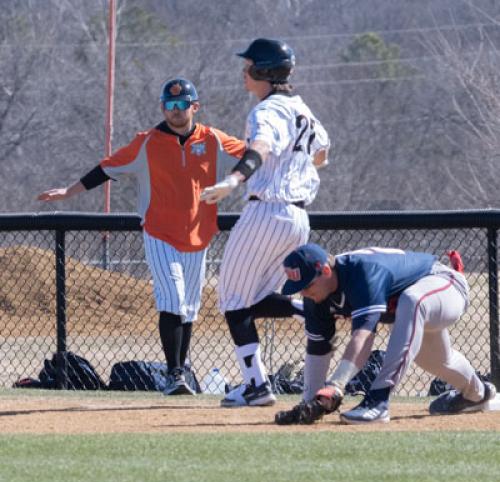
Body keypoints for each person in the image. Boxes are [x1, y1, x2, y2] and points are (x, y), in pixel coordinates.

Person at [37, 77, 245, 396]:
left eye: (182, 105)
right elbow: (106, 168)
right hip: (159, 233)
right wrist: (69, 191)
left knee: (188, 308)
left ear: (195, 107)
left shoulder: (213, 139)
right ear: (163, 107)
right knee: (173, 299)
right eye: (170, 105)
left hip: (198, 234)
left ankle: (180, 370)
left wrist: (242, 176)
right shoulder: (146, 142)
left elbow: (252, 156)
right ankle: (174, 374)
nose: (176, 111)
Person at [200, 38, 330, 407]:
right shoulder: (302, 109)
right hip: (297, 217)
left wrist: (233, 180)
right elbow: (322, 153)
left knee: (232, 301)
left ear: (264, 73)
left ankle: (256, 386)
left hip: (266, 211)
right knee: (254, 298)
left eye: (249, 67)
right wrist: (295, 167)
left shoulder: (267, 109)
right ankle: (312, 308)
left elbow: (261, 148)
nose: (244, 73)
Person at [276, 243, 497, 424]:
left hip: (443, 284)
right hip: (410, 307)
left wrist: (336, 385)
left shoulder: (361, 271)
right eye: (300, 287)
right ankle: (477, 395)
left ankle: (378, 401)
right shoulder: (316, 296)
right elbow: (319, 348)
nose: (304, 292)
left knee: (412, 301)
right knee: (439, 361)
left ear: (325, 270)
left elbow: (363, 337)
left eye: (308, 285)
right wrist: (310, 403)